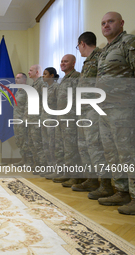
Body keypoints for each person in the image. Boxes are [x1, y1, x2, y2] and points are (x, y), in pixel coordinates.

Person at [95, 12, 135, 215]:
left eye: (110, 21)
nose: (106, 25)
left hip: (123, 109)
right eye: (103, 23)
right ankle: (122, 191)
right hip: (105, 110)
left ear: (121, 23)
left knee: (128, 154)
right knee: (112, 153)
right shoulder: (104, 50)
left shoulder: (129, 42)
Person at [71, 32, 114, 199]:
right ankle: (91, 179)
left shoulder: (100, 56)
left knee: (96, 147)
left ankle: (105, 185)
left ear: (82, 44)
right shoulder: (88, 61)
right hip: (85, 110)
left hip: (95, 110)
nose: (79, 50)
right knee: (86, 147)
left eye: (78, 47)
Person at [53, 54, 83, 186]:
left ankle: (75, 176)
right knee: (63, 147)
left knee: (72, 148)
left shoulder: (77, 77)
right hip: (61, 118)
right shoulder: (64, 79)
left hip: (71, 119)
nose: (63, 63)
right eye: (61, 61)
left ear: (73, 63)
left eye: (66, 61)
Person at [24, 65, 48, 172]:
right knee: (32, 143)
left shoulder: (42, 84)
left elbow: (46, 102)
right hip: (31, 119)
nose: (28, 72)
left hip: (37, 119)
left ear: (37, 72)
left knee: (39, 144)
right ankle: (37, 164)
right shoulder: (33, 85)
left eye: (30, 70)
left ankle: (43, 166)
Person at [41, 67, 59, 175]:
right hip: (44, 119)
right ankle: (49, 167)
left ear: (52, 75)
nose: (43, 76)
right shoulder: (45, 88)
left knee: (53, 145)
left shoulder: (57, 87)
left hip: (52, 120)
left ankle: (56, 169)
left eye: (45, 74)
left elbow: (60, 104)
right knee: (46, 144)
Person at [13, 72, 34, 166]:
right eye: (16, 78)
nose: (16, 80)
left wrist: (25, 119)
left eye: (18, 78)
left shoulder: (27, 91)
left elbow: (29, 106)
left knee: (26, 141)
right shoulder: (18, 91)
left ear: (24, 80)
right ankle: (23, 159)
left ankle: (29, 161)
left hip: (23, 120)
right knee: (19, 140)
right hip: (17, 120)